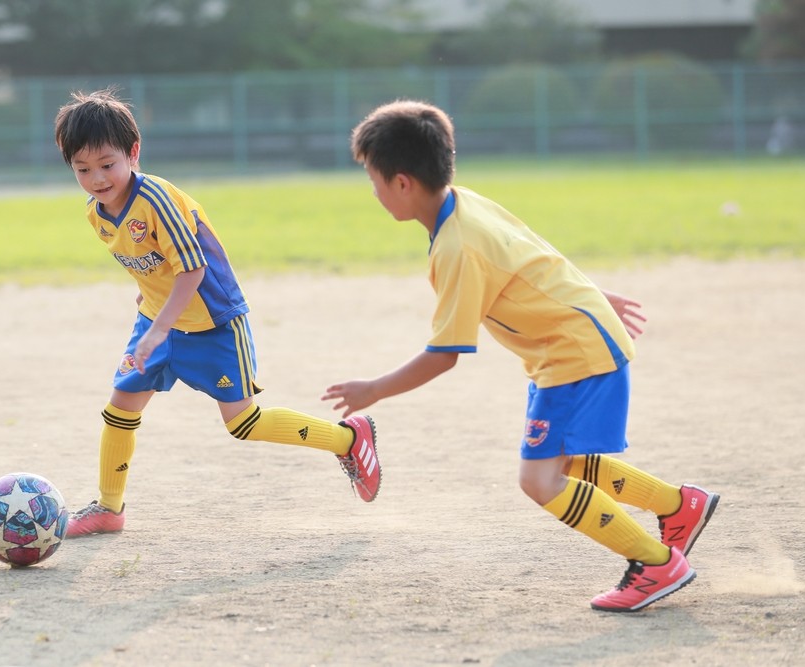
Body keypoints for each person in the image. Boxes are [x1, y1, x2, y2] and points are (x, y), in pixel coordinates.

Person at [322, 99, 719, 613]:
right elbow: (535, 251)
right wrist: (592, 295)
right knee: (563, 462)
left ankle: (656, 563)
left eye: (374, 181)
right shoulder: (464, 203)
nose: (373, 193)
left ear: (402, 183)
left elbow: (445, 354)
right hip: (569, 345)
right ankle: (678, 505)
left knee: (539, 479)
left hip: (575, 353)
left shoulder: (456, 247)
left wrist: (374, 389)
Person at [53, 89, 381, 537]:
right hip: (159, 322)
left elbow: (192, 269)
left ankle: (348, 439)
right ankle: (109, 509)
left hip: (212, 324)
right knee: (120, 409)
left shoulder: (157, 201)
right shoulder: (97, 212)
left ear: (133, 152)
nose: (96, 178)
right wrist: (149, 309)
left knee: (243, 422)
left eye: (107, 164)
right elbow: (150, 262)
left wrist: (157, 329)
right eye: (82, 169)